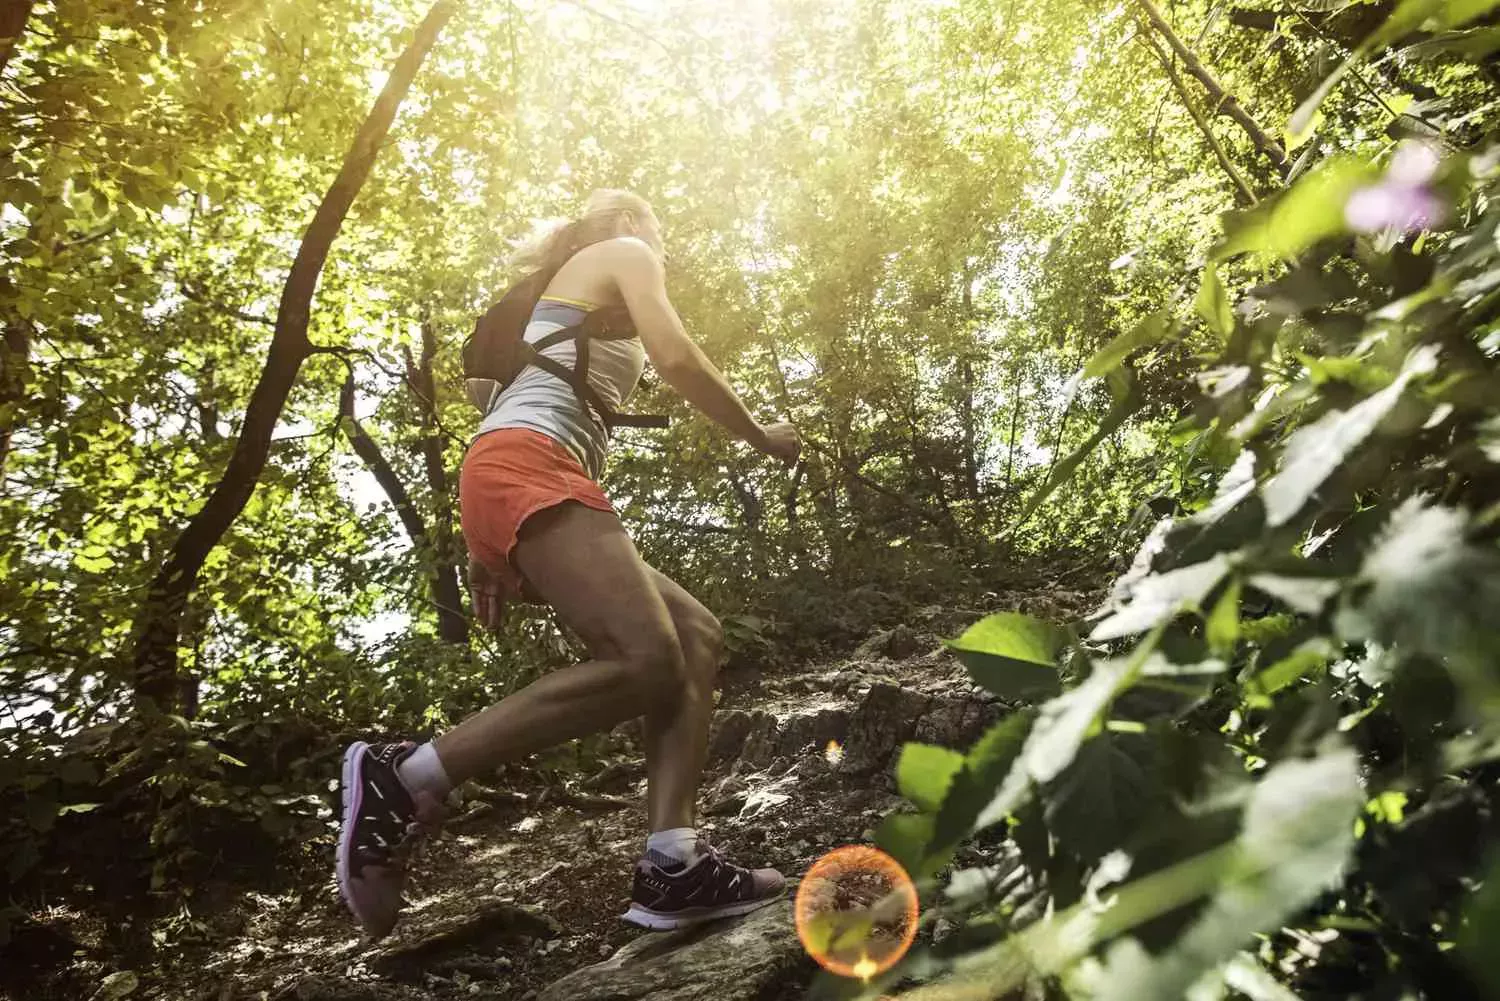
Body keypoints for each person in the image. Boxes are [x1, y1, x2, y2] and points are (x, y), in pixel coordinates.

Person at [335, 189, 803, 940]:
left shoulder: (545, 309)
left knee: (695, 637)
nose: (664, 252)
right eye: (660, 233)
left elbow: (500, 418)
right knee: (647, 658)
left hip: (516, 471)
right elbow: (678, 357)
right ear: (627, 222)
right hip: (531, 465)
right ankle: (407, 775)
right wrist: (759, 434)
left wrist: (487, 547)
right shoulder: (623, 253)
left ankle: (673, 861)